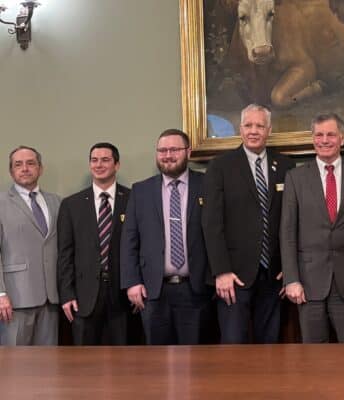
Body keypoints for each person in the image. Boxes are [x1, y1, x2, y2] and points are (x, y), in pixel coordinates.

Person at [202, 104, 295, 344]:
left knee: (271, 347)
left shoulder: (286, 166)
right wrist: (221, 271)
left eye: (260, 125)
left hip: (274, 276)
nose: (254, 131)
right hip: (234, 277)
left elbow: (292, 221)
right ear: (240, 129)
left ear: (269, 130)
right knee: (234, 349)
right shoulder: (220, 166)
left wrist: (290, 267)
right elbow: (212, 223)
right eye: (248, 125)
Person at [281, 113, 344, 343]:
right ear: (313, 139)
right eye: (319, 135)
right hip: (309, 284)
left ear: (342, 138)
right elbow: (288, 232)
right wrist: (291, 279)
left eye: (331, 134)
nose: (325, 140)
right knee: (314, 360)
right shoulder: (295, 177)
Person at [121, 129, 214, 345]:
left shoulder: (207, 185)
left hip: (196, 290)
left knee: (196, 362)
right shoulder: (141, 190)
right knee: (157, 364)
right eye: (162, 150)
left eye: (174, 149)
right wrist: (132, 282)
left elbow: (218, 234)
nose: (168, 155)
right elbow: (129, 241)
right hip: (154, 293)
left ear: (188, 152)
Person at [57, 142, 131, 345]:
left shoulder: (133, 199)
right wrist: (67, 294)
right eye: (94, 160)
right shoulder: (71, 204)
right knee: (84, 364)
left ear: (117, 165)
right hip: (83, 297)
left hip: (123, 296)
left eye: (105, 160)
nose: (99, 165)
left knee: (124, 361)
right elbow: (65, 254)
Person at [0, 146, 61, 345]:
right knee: (15, 367)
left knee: (48, 367)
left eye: (30, 163)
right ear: (11, 171)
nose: (25, 168)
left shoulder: (57, 202)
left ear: (40, 168)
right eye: (18, 164)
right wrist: (1, 294)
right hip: (15, 300)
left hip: (51, 300)